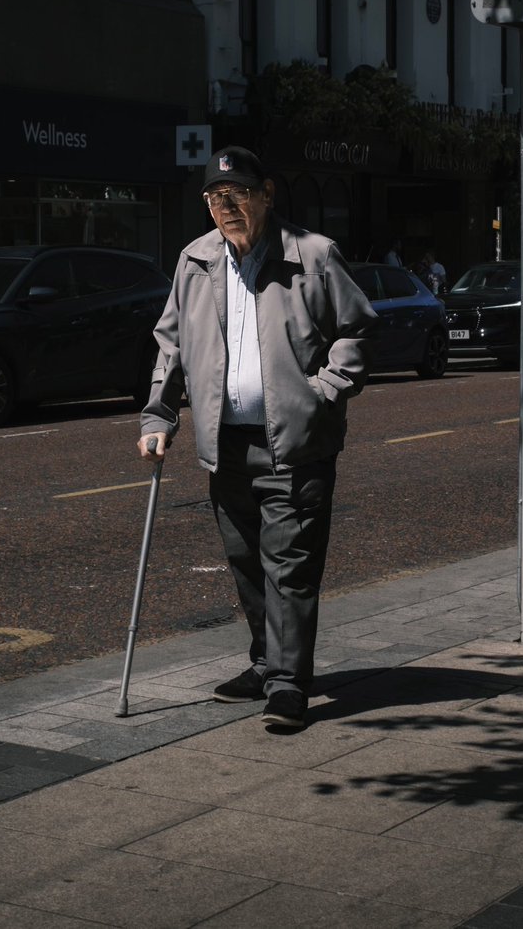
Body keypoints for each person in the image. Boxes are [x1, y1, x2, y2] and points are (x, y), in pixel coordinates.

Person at [138, 146, 379, 729]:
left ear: (266, 194)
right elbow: (171, 345)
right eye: (216, 199)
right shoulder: (195, 260)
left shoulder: (314, 256)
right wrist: (158, 415)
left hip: (294, 445)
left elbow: (358, 329)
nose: (227, 207)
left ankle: (290, 685)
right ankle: (267, 662)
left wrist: (322, 391)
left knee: (289, 566)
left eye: (238, 194)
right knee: (247, 562)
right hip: (225, 443)